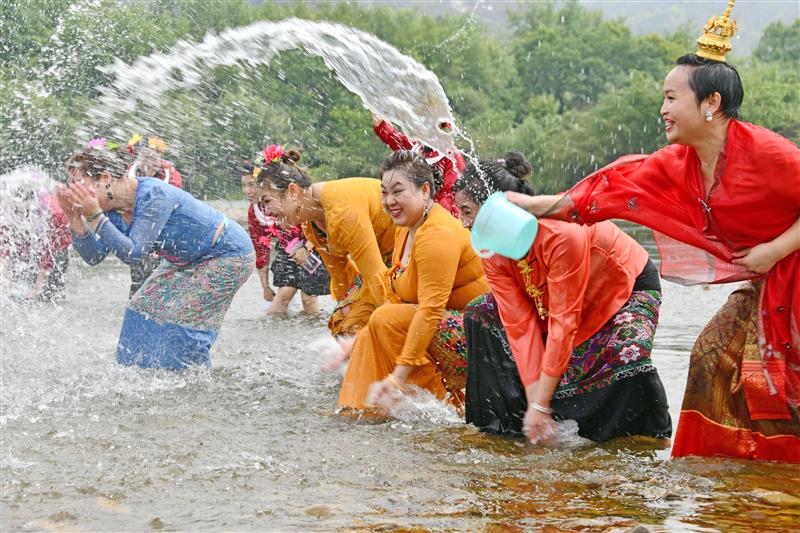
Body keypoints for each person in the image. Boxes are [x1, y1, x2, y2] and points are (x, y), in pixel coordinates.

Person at [508, 5, 799, 462]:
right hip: (770, 278)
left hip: (788, 269)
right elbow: (609, 188)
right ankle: (729, 474)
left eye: (670, 98)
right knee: (712, 353)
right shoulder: (678, 163)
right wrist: (531, 205)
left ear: (711, 104)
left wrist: (773, 250)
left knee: (785, 380)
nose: (662, 109)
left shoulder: (767, 153)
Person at [454, 153, 672, 443]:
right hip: (553, 307)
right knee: (481, 313)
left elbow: (563, 322)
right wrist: (535, 406)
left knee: (626, 353)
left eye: (467, 211)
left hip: (623, 290)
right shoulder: (491, 247)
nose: (463, 223)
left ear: (498, 209)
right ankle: (507, 429)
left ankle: (645, 439)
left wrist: (542, 404)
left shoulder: (562, 232)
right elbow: (520, 327)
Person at [57, 142, 254, 369]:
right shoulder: (112, 211)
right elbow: (94, 257)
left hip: (226, 253)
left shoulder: (154, 194)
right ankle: (135, 373)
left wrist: (94, 216)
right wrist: (75, 221)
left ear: (105, 177)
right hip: (184, 260)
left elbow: (135, 253)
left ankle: (193, 381)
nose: (73, 192)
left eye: (78, 184)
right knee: (140, 309)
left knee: (181, 319)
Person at [338, 150, 488, 411]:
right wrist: (359, 339)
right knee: (377, 323)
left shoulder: (436, 235)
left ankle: (445, 407)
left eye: (398, 191)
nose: (389, 201)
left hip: (479, 335)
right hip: (446, 324)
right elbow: (397, 295)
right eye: (384, 192)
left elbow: (430, 310)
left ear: (425, 190)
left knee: (386, 320)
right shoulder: (406, 229)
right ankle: (360, 409)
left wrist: (398, 377)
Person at [255, 145, 395, 337]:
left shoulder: (342, 210)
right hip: (382, 268)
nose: (266, 212)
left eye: (267, 201)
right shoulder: (311, 225)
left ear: (293, 191)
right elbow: (340, 277)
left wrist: (390, 327)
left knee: (368, 330)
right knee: (342, 326)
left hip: (407, 255)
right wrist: (345, 313)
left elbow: (376, 276)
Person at [241, 154, 329, 315]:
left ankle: (318, 335)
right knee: (282, 296)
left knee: (308, 298)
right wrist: (265, 286)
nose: (248, 191)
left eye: (252, 185)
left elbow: (317, 224)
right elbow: (261, 248)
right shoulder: (256, 212)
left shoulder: (287, 200)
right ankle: (275, 335)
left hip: (312, 245)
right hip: (288, 249)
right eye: (244, 185)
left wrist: (307, 248)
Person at [125, 135, 186, 297]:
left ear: (161, 158)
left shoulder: (172, 176)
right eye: (146, 157)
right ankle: (135, 303)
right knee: (138, 274)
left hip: (167, 228)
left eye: (154, 158)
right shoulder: (129, 173)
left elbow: (174, 208)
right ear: (139, 158)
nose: (150, 163)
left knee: (160, 275)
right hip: (139, 229)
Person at [372, 114, 464, 218]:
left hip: (443, 214)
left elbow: (451, 193)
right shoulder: (416, 147)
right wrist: (378, 116)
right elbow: (390, 136)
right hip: (417, 209)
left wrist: (433, 215)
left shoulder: (452, 156)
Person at [0, 184, 71, 302]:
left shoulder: (50, 215)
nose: (21, 214)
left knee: (48, 292)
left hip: (56, 247)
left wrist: (36, 290)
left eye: (24, 211)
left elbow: (48, 256)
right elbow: (4, 252)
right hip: (28, 244)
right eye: (17, 210)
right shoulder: (6, 214)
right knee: (17, 287)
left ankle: (53, 294)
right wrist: (7, 285)